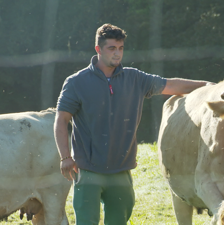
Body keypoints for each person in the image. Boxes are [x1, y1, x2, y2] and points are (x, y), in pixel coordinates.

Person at [54, 23, 210, 225]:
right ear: (98, 49)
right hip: (88, 171)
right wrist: (65, 157)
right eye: (111, 48)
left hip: (121, 172)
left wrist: (207, 86)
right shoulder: (76, 82)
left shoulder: (135, 78)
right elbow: (61, 120)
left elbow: (169, 84)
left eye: (120, 48)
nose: (117, 54)